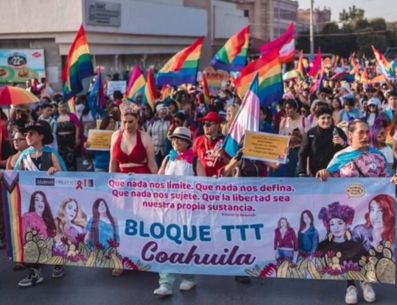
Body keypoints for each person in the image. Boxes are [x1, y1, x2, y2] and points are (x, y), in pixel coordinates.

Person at [316, 120, 391, 304]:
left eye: (367, 133)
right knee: (349, 249)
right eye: (361, 133)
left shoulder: (378, 157)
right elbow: (326, 180)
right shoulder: (340, 157)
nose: (366, 136)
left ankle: (366, 282)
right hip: (347, 214)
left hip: (369, 215)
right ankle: (350, 285)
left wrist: (394, 180)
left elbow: (388, 181)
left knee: (367, 247)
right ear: (350, 135)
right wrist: (323, 174)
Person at [15, 120, 67, 287]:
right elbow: (15, 177)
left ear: (41, 136)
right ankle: (35, 272)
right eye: (26, 133)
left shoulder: (51, 154)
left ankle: (58, 261)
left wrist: (55, 171)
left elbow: (64, 176)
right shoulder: (24, 156)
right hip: (31, 205)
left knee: (52, 232)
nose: (27, 136)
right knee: (33, 235)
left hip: (50, 204)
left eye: (31, 133)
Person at [154, 126, 205, 296]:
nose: (175, 142)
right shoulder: (168, 159)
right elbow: (158, 180)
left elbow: (204, 185)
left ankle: (188, 277)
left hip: (188, 210)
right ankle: (166, 283)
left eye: (179, 139)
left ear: (187, 142)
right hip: (168, 209)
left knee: (185, 244)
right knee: (165, 244)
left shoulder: (196, 161)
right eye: (173, 139)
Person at [298, 106, 347, 177]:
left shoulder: (339, 132)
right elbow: (303, 153)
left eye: (328, 118)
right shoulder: (311, 133)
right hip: (316, 175)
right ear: (317, 120)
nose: (326, 121)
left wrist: (343, 143)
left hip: (336, 174)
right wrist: (302, 172)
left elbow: (348, 151)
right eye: (323, 118)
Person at [109, 103, 157, 174]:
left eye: (130, 122)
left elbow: (152, 164)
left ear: (137, 119)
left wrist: (157, 182)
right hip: (121, 180)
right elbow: (113, 163)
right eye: (124, 122)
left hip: (141, 179)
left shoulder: (145, 137)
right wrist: (110, 180)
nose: (127, 125)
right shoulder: (115, 136)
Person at [193, 112, 230, 177]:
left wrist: (223, 157)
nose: (205, 126)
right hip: (202, 181)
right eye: (203, 124)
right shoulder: (198, 140)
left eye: (208, 124)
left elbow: (234, 163)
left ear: (217, 126)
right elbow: (192, 160)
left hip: (221, 182)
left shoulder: (226, 141)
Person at [55, 101, 81, 171]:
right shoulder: (56, 117)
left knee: (71, 157)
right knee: (61, 157)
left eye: (63, 107)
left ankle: (73, 172)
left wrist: (77, 138)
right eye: (60, 107)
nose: (62, 109)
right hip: (60, 140)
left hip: (70, 139)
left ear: (66, 107)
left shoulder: (72, 116)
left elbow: (77, 127)